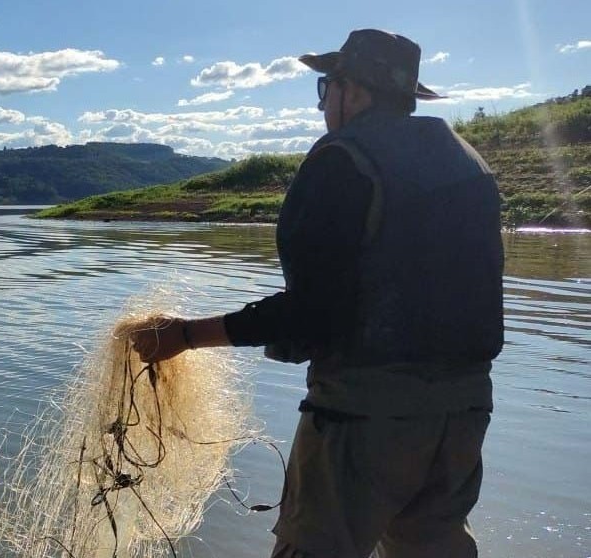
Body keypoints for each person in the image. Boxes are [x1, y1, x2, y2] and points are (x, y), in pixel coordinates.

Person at [127, 29, 503, 557]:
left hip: (364, 418)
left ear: (354, 91)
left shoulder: (343, 160)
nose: (324, 102)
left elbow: (310, 315)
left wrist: (185, 336)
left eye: (328, 88)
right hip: (465, 412)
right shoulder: (467, 162)